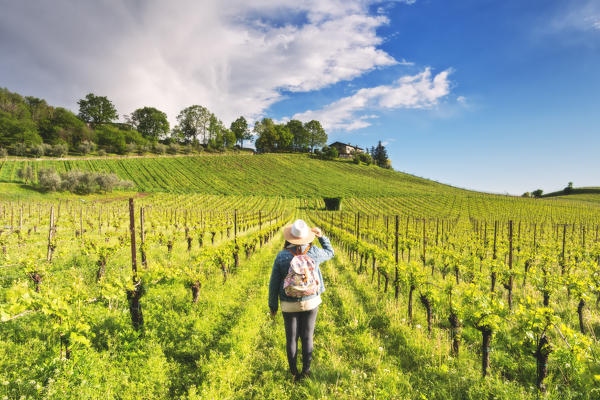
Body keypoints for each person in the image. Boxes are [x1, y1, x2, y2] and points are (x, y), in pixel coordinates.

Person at [268, 219, 335, 380]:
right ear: (307, 237)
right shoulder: (314, 252)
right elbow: (331, 252)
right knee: (307, 336)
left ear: (289, 238)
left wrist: (273, 305)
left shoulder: (282, 256)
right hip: (311, 301)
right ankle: (306, 371)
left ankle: (293, 373)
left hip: (288, 303)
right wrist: (321, 236)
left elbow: (274, 283)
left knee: (291, 338)